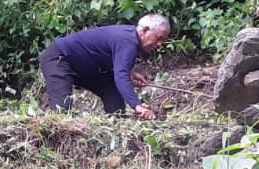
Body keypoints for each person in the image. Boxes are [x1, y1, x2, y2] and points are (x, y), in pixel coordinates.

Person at [40, 13, 171, 119]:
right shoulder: (129, 42)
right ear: (144, 31)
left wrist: (129, 75)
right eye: (158, 38)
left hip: (83, 65)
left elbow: (119, 70)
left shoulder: (129, 38)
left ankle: (118, 130)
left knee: (112, 91)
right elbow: (121, 76)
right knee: (61, 108)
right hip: (60, 58)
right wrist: (137, 106)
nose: (159, 44)